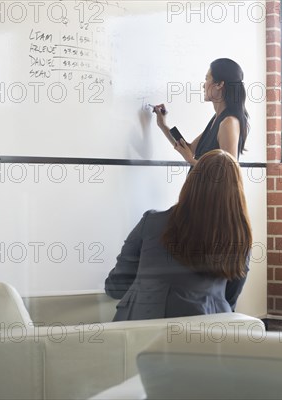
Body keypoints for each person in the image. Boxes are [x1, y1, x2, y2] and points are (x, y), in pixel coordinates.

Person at [104, 150, 252, 321]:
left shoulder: (151, 222)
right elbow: (230, 298)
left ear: (192, 182)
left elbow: (116, 287)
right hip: (205, 334)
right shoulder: (240, 237)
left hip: (137, 333)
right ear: (237, 192)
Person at [153, 58, 249, 166]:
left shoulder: (228, 122)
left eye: (207, 79)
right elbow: (188, 149)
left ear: (219, 84)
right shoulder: (217, 119)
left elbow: (228, 171)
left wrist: (191, 160)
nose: (204, 85)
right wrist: (163, 125)